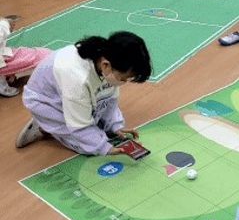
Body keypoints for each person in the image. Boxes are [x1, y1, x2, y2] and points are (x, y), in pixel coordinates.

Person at [16, 31, 152, 156]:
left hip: (69, 95)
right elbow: (79, 126)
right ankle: (43, 124)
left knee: (100, 130)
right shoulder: (77, 78)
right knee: (87, 147)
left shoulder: (107, 59)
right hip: (45, 100)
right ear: (106, 65)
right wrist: (105, 148)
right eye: (123, 78)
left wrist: (115, 126)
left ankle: (52, 123)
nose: (124, 82)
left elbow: (108, 98)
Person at [0, 16, 51, 97]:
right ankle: (3, 86)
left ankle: (6, 78)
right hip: (2, 59)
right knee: (42, 56)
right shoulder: (3, 27)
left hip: (3, 54)